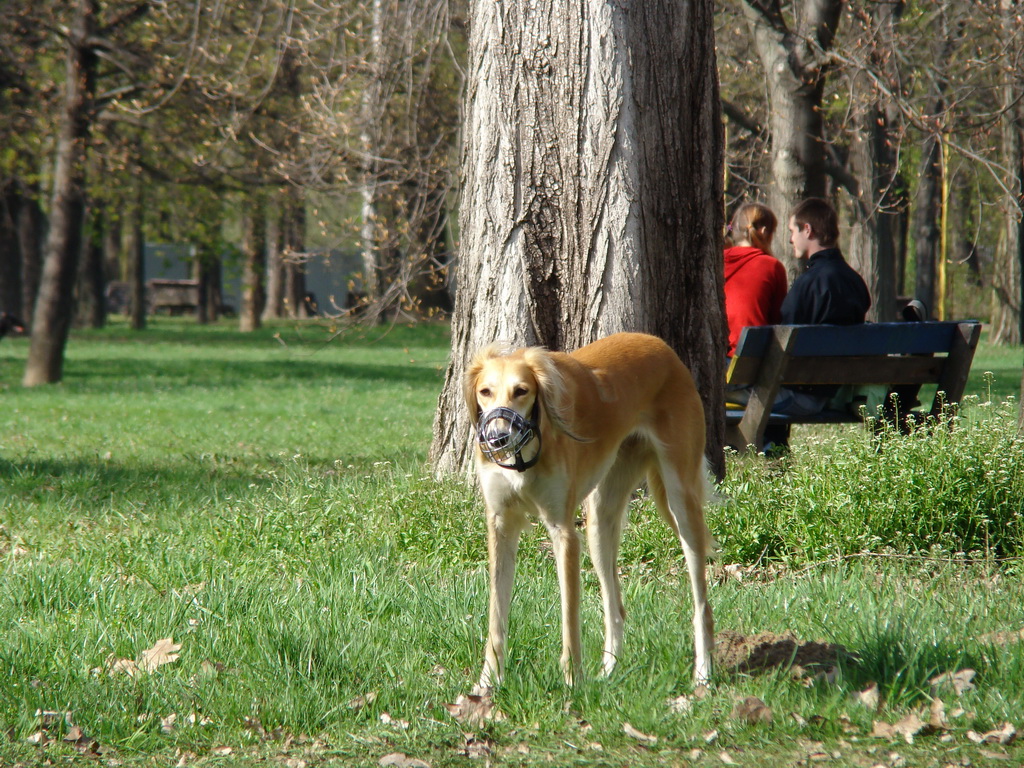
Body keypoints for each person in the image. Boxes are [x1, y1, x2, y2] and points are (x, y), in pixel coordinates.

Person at [773, 197, 871, 416]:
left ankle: (770, 448)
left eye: (792, 231)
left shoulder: (807, 285)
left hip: (801, 393)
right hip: (837, 391)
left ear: (807, 230)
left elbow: (783, 340)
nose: (791, 240)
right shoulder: (855, 282)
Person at [723, 202, 788, 357]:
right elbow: (776, 320)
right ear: (764, 231)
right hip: (751, 357)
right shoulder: (772, 266)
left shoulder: (716, 262)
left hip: (715, 355)